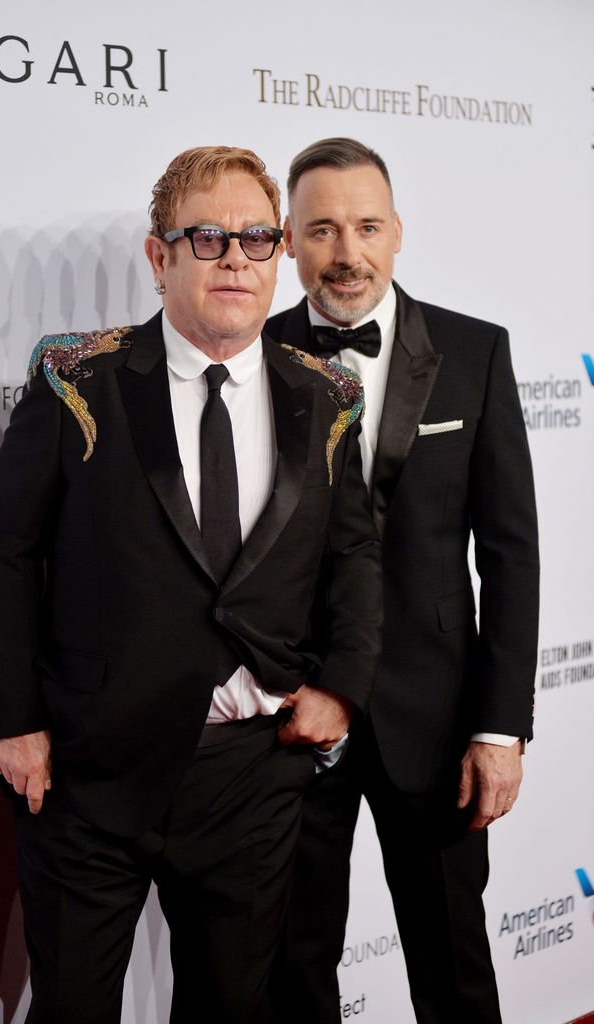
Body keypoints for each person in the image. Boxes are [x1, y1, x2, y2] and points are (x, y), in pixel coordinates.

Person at [0, 145, 382, 1024]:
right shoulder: (78, 377)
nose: (235, 258)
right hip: (89, 769)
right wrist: (13, 719)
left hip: (252, 775)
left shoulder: (327, 394)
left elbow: (353, 556)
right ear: (158, 258)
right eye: (207, 237)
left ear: (279, 258)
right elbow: (5, 552)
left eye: (256, 239)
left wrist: (342, 688)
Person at [266, 137, 539, 1024]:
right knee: (290, 965)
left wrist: (500, 727)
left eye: (366, 226)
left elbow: (510, 554)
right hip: (291, 715)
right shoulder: (251, 355)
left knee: (453, 965)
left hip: (437, 718)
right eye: (321, 230)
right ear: (287, 241)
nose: (346, 253)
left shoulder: (474, 353)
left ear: (397, 233)